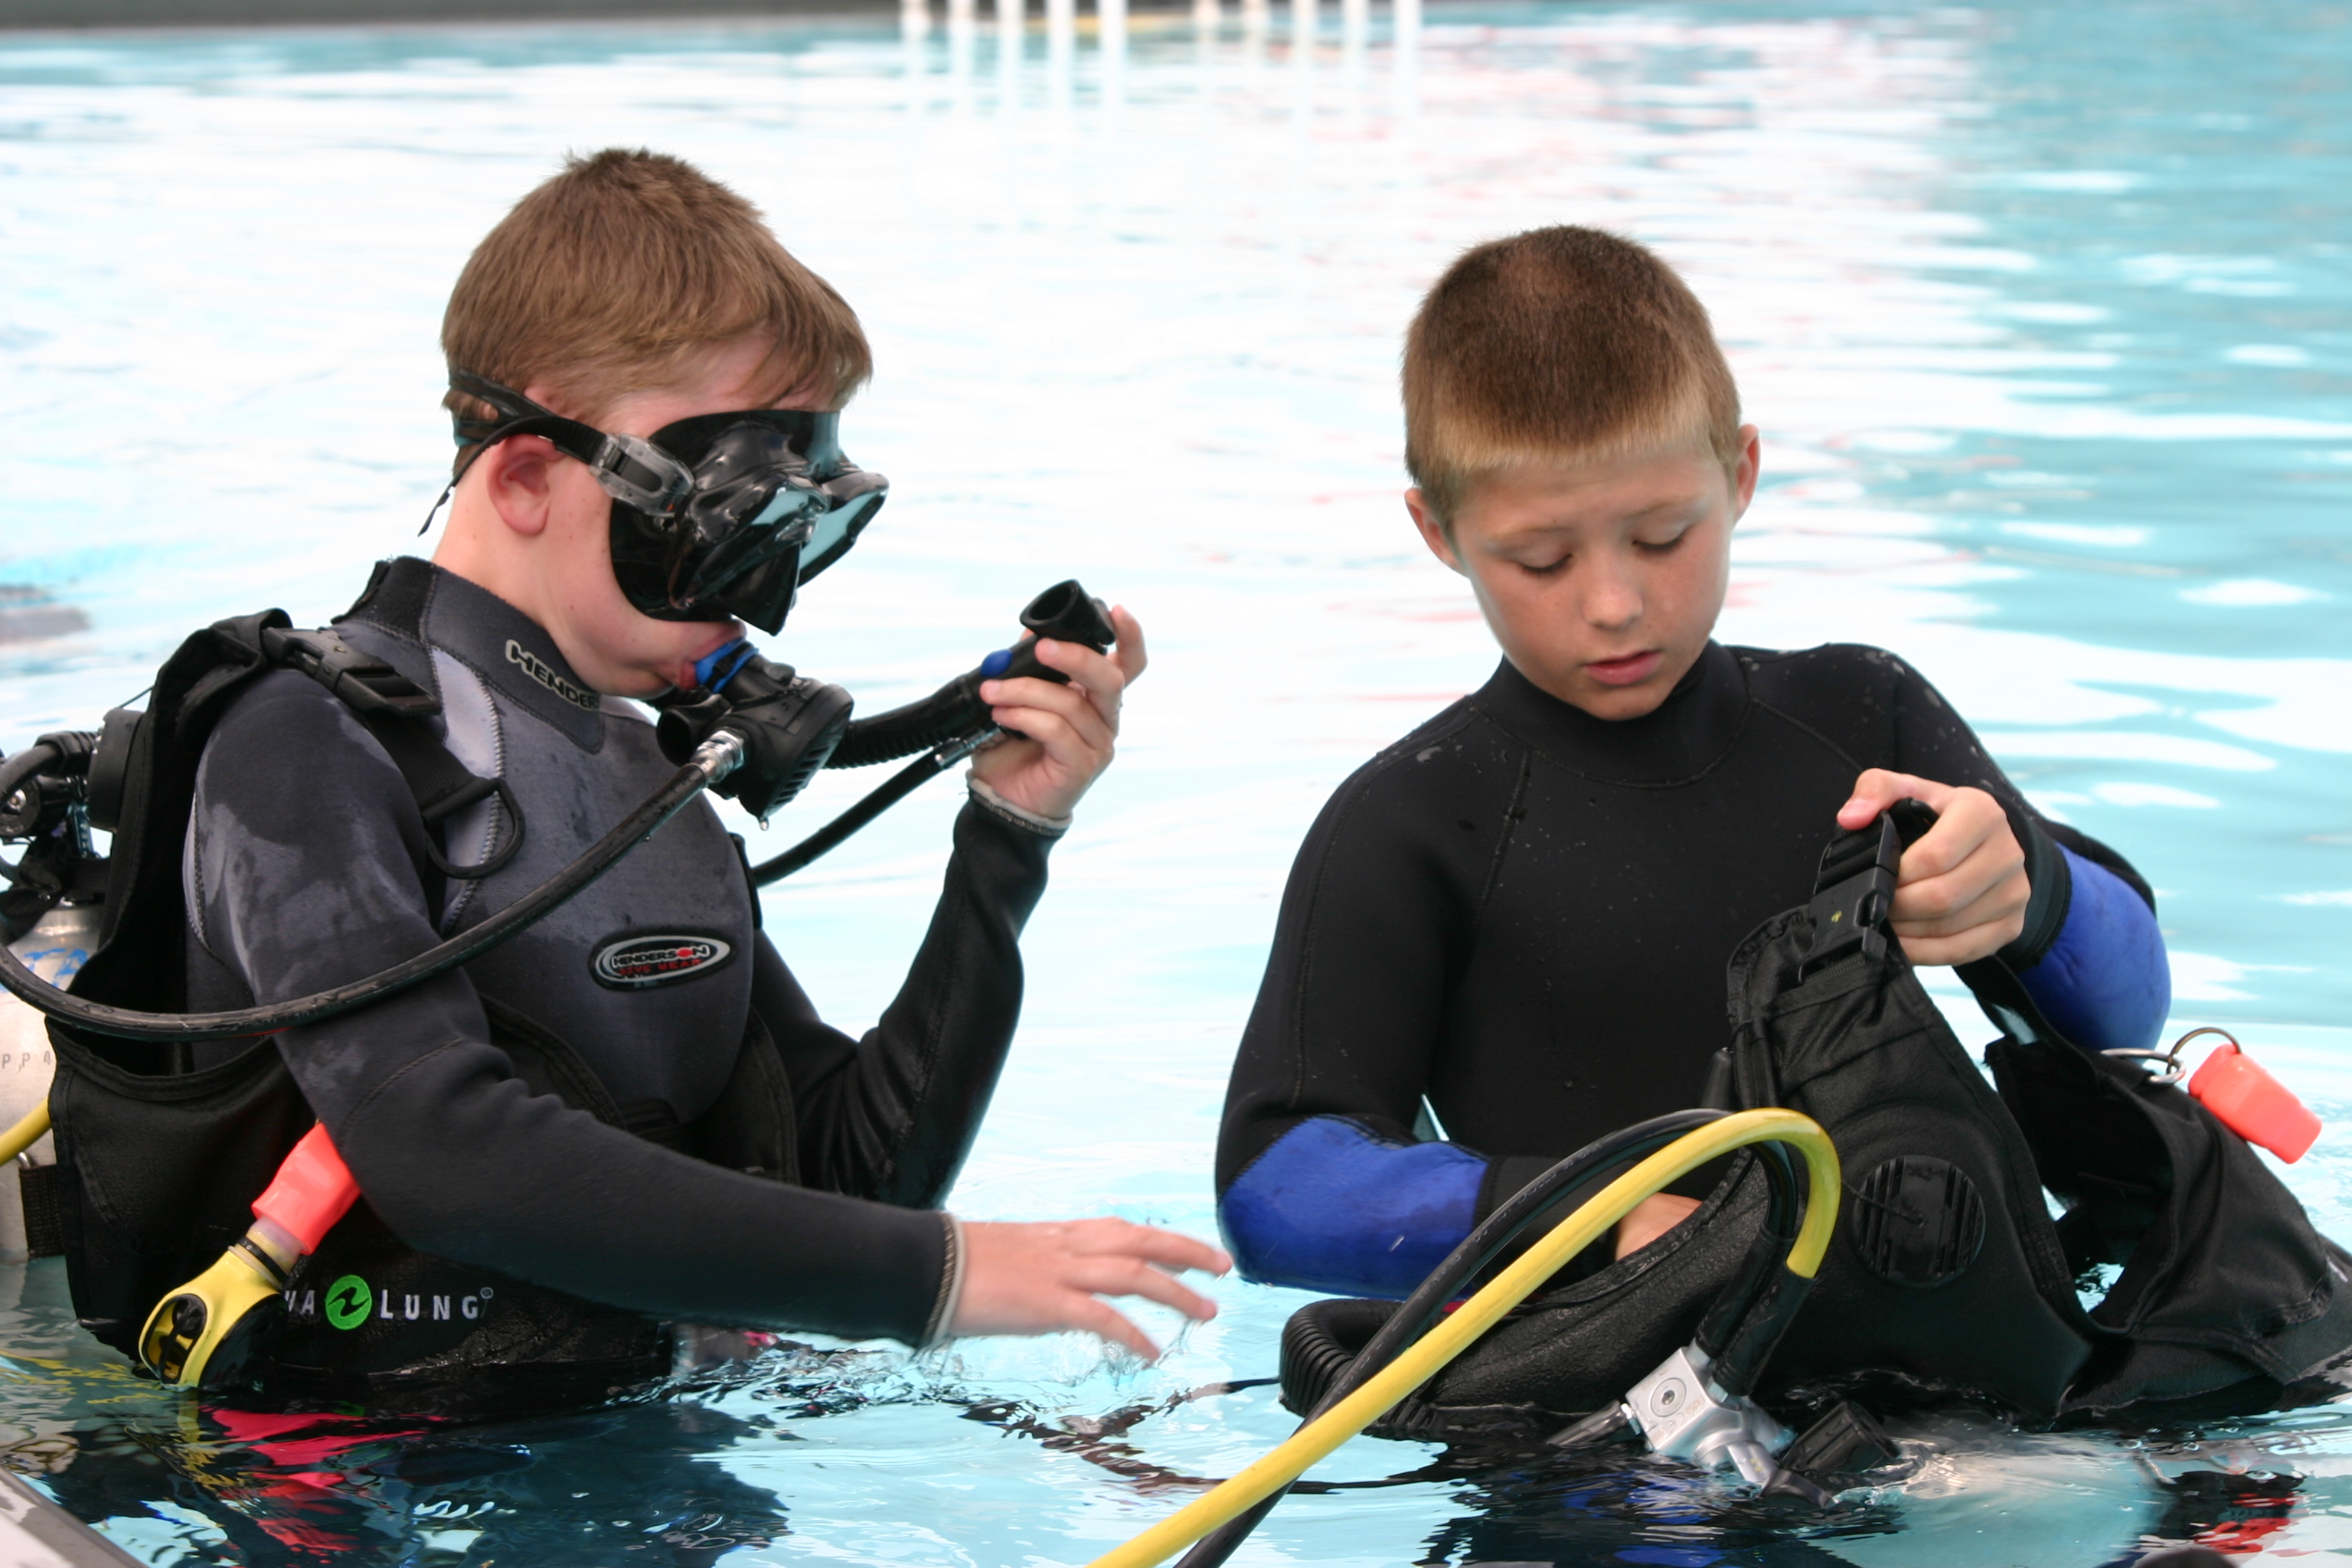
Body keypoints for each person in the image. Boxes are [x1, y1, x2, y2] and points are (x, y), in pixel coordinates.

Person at [171, 148, 1226, 1399]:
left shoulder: (636, 769)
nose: (768, 598)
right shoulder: (302, 741)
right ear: (522, 475)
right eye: (731, 525)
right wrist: (937, 1276)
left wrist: (1005, 840)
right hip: (348, 1485)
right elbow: (440, 1152)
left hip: (637, 1462)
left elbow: (846, 1181)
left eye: (802, 527)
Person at [1215, 226, 2171, 1302]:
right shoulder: (1415, 822)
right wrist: (1601, 1218)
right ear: (1439, 531)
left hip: (1924, 1324)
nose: (1616, 603)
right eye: (1542, 559)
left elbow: (2123, 1019)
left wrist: (2032, 894)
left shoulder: (1862, 716)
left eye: (1665, 536)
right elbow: (1278, 1188)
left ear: (1742, 473)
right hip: (1620, 1415)